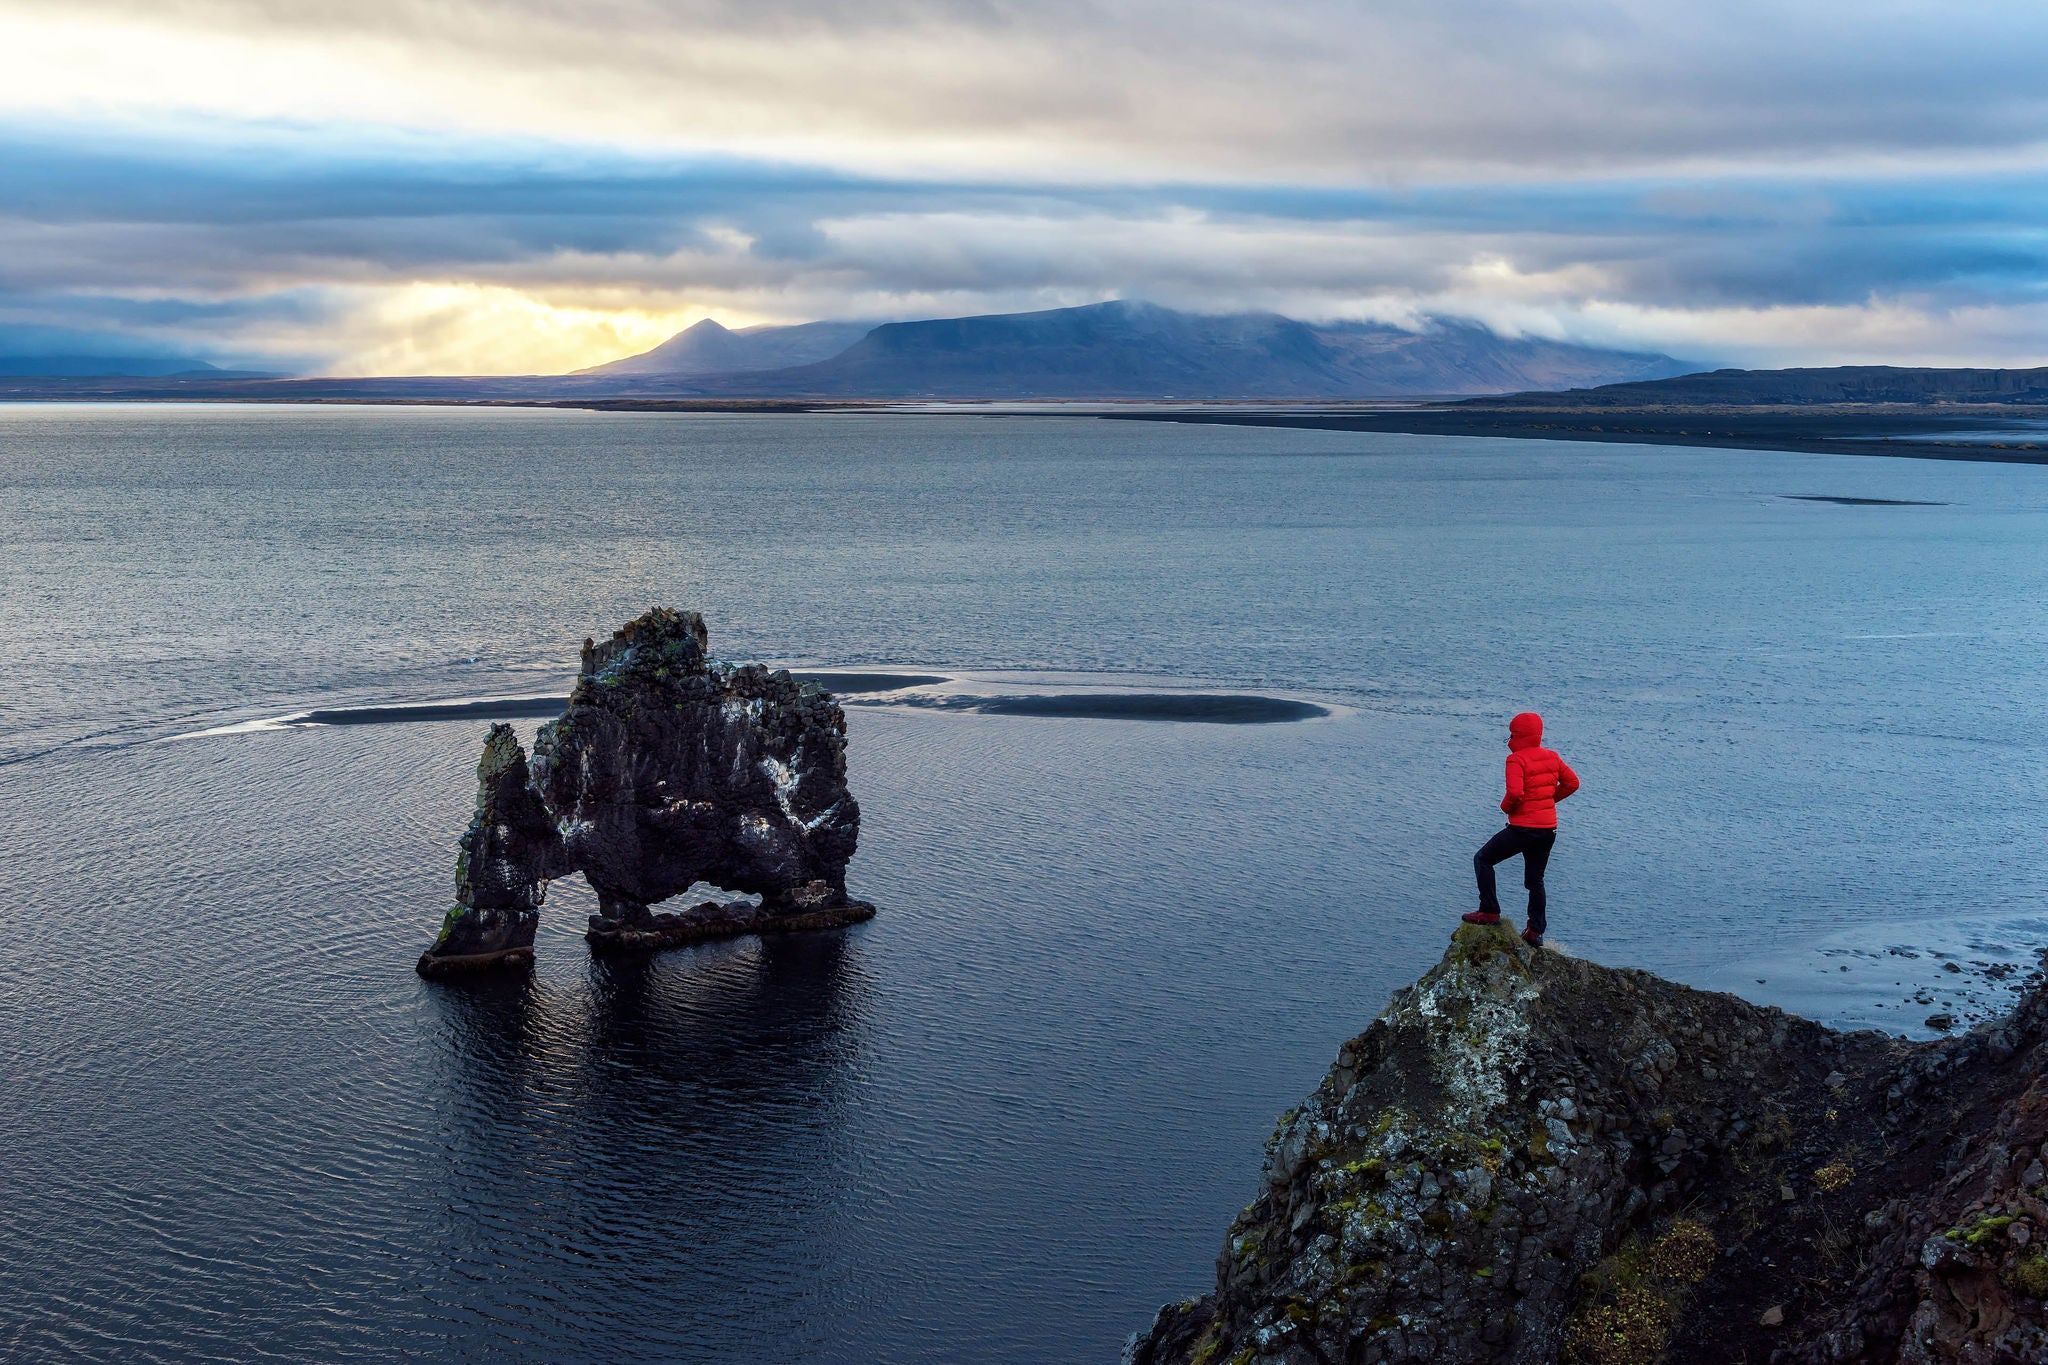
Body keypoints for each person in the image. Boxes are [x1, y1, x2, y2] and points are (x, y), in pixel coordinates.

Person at [1463, 711, 1579, 947]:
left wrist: (1505, 807)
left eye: (1512, 734)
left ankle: (1489, 911)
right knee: (1535, 880)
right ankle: (1535, 931)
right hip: (1548, 830)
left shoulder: (1516, 760)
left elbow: (1515, 794)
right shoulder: (1553, 756)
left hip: (1523, 828)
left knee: (1483, 859)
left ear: (1518, 734)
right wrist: (1547, 801)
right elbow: (1572, 783)